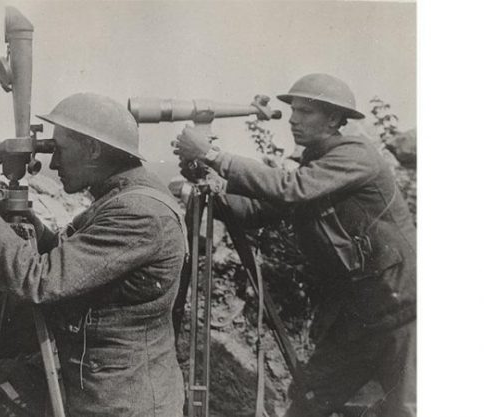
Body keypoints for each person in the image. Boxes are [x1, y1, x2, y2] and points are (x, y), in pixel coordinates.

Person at [0, 93, 187, 417]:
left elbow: (41, 281)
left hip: (114, 398)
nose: (54, 163)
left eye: (59, 150)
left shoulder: (139, 213)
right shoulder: (125, 196)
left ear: (93, 149)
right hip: (87, 369)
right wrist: (28, 224)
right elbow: (80, 260)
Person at [174, 74, 416, 417]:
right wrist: (205, 181)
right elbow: (259, 210)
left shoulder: (355, 154)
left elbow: (292, 188)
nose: (293, 119)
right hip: (355, 315)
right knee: (311, 398)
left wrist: (214, 155)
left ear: (334, 119)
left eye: (305, 111)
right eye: (293, 110)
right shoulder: (316, 164)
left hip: (402, 308)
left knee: (407, 408)